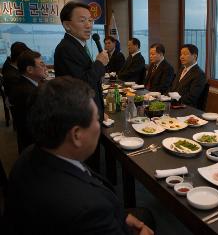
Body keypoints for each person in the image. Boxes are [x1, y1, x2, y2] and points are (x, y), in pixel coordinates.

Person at [4, 77, 154, 235]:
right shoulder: (88, 210)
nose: (100, 124)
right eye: (97, 119)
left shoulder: (29, 154)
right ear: (76, 135)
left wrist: (120, 216)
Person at [54, 1, 109, 121]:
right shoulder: (66, 48)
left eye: (90, 20)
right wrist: (99, 63)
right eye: (82, 20)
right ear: (67, 25)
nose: (89, 25)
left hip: (88, 112)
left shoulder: (78, 45)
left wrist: (99, 112)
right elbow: (81, 85)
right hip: (79, 116)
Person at [9, 50, 47, 154]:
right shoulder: (29, 93)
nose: (45, 67)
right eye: (42, 64)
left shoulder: (24, 84)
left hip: (27, 142)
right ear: (30, 69)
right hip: (36, 146)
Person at [169, 44, 206, 108]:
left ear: (194, 56)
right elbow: (173, 88)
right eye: (181, 54)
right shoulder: (181, 69)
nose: (181, 57)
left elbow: (192, 97)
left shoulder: (199, 74)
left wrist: (174, 101)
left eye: (185, 54)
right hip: (174, 104)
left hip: (187, 108)